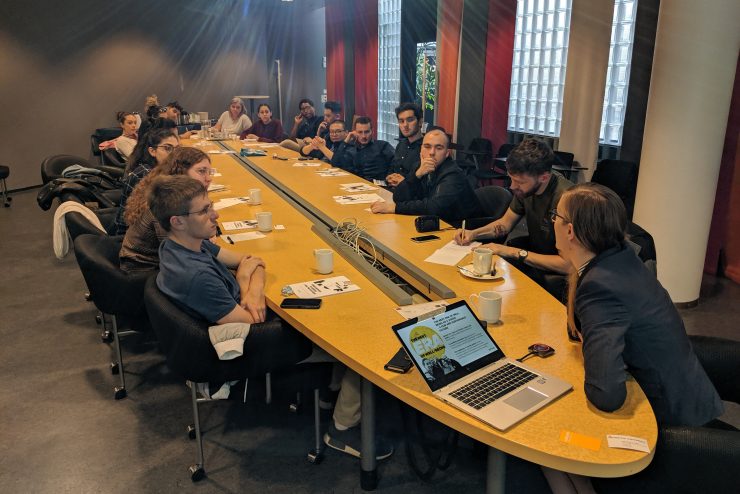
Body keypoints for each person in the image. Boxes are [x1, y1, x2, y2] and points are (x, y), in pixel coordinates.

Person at [149, 175, 393, 460]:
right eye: (204, 211)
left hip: (237, 327)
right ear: (177, 220)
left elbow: (249, 259)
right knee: (358, 340)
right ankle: (343, 429)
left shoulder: (183, 245)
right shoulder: (196, 277)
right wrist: (245, 283)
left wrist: (252, 286)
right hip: (243, 350)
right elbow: (252, 322)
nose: (215, 214)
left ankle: (330, 393)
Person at [540, 182, 725, 494]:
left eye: (555, 217)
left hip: (667, 424)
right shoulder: (621, 256)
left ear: (570, 231)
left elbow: (607, 396)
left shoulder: (600, 287)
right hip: (686, 395)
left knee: (548, 438)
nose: (552, 223)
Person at [454, 138, 573, 296]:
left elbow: (568, 265)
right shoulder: (526, 189)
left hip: (560, 277)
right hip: (537, 260)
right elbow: (505, 223)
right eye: (511, 179)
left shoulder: (567, 200)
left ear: (544, 177)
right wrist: (473, 233)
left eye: (519, 182)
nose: (512, 186)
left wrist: (512, 251)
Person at [119, 147, 213, 272]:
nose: (209, 178)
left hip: (163, 263)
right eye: (201, 171)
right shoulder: (167, 205)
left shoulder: (168, 192)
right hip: (146, 275)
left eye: (209, 172)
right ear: (181, 171)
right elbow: (185, 255)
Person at [370, 127, 480, 225]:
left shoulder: (453, 174)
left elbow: (435, 207)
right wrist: (417, 175)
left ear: (447, 153)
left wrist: (395, 208)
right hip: (438, 224)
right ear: (421, 150)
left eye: (439, 148)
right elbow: (398, 197)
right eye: (427, 146)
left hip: (462, 230)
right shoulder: (419, 166)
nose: (432, 152)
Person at [113, 127, 179, 235]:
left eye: (177, 149)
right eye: (167, 148)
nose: (174, 153)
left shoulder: (161, 170)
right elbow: (157, 222)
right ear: (152, 151)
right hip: (132, 238)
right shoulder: (145, 175)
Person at [331, 116, 394, 181]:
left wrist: (389, 177)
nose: (363, 136)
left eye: (366, 132)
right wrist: (346, 140)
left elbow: (396, 164)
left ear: (372, 131)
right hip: (355, 184)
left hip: (378, 185)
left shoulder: (382, 146)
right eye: (360, 132)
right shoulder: (350, 148)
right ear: (355, 132)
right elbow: (334, 164)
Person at [386, 102, 423, 187]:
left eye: (410, 120)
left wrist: (404, 182)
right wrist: (389, 177)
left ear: (420, 122)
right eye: (401, 121)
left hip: (412, 195)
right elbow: (392, 168)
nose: (405, 125)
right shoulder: (401, 145)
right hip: (392, 190)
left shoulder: (427, 147)